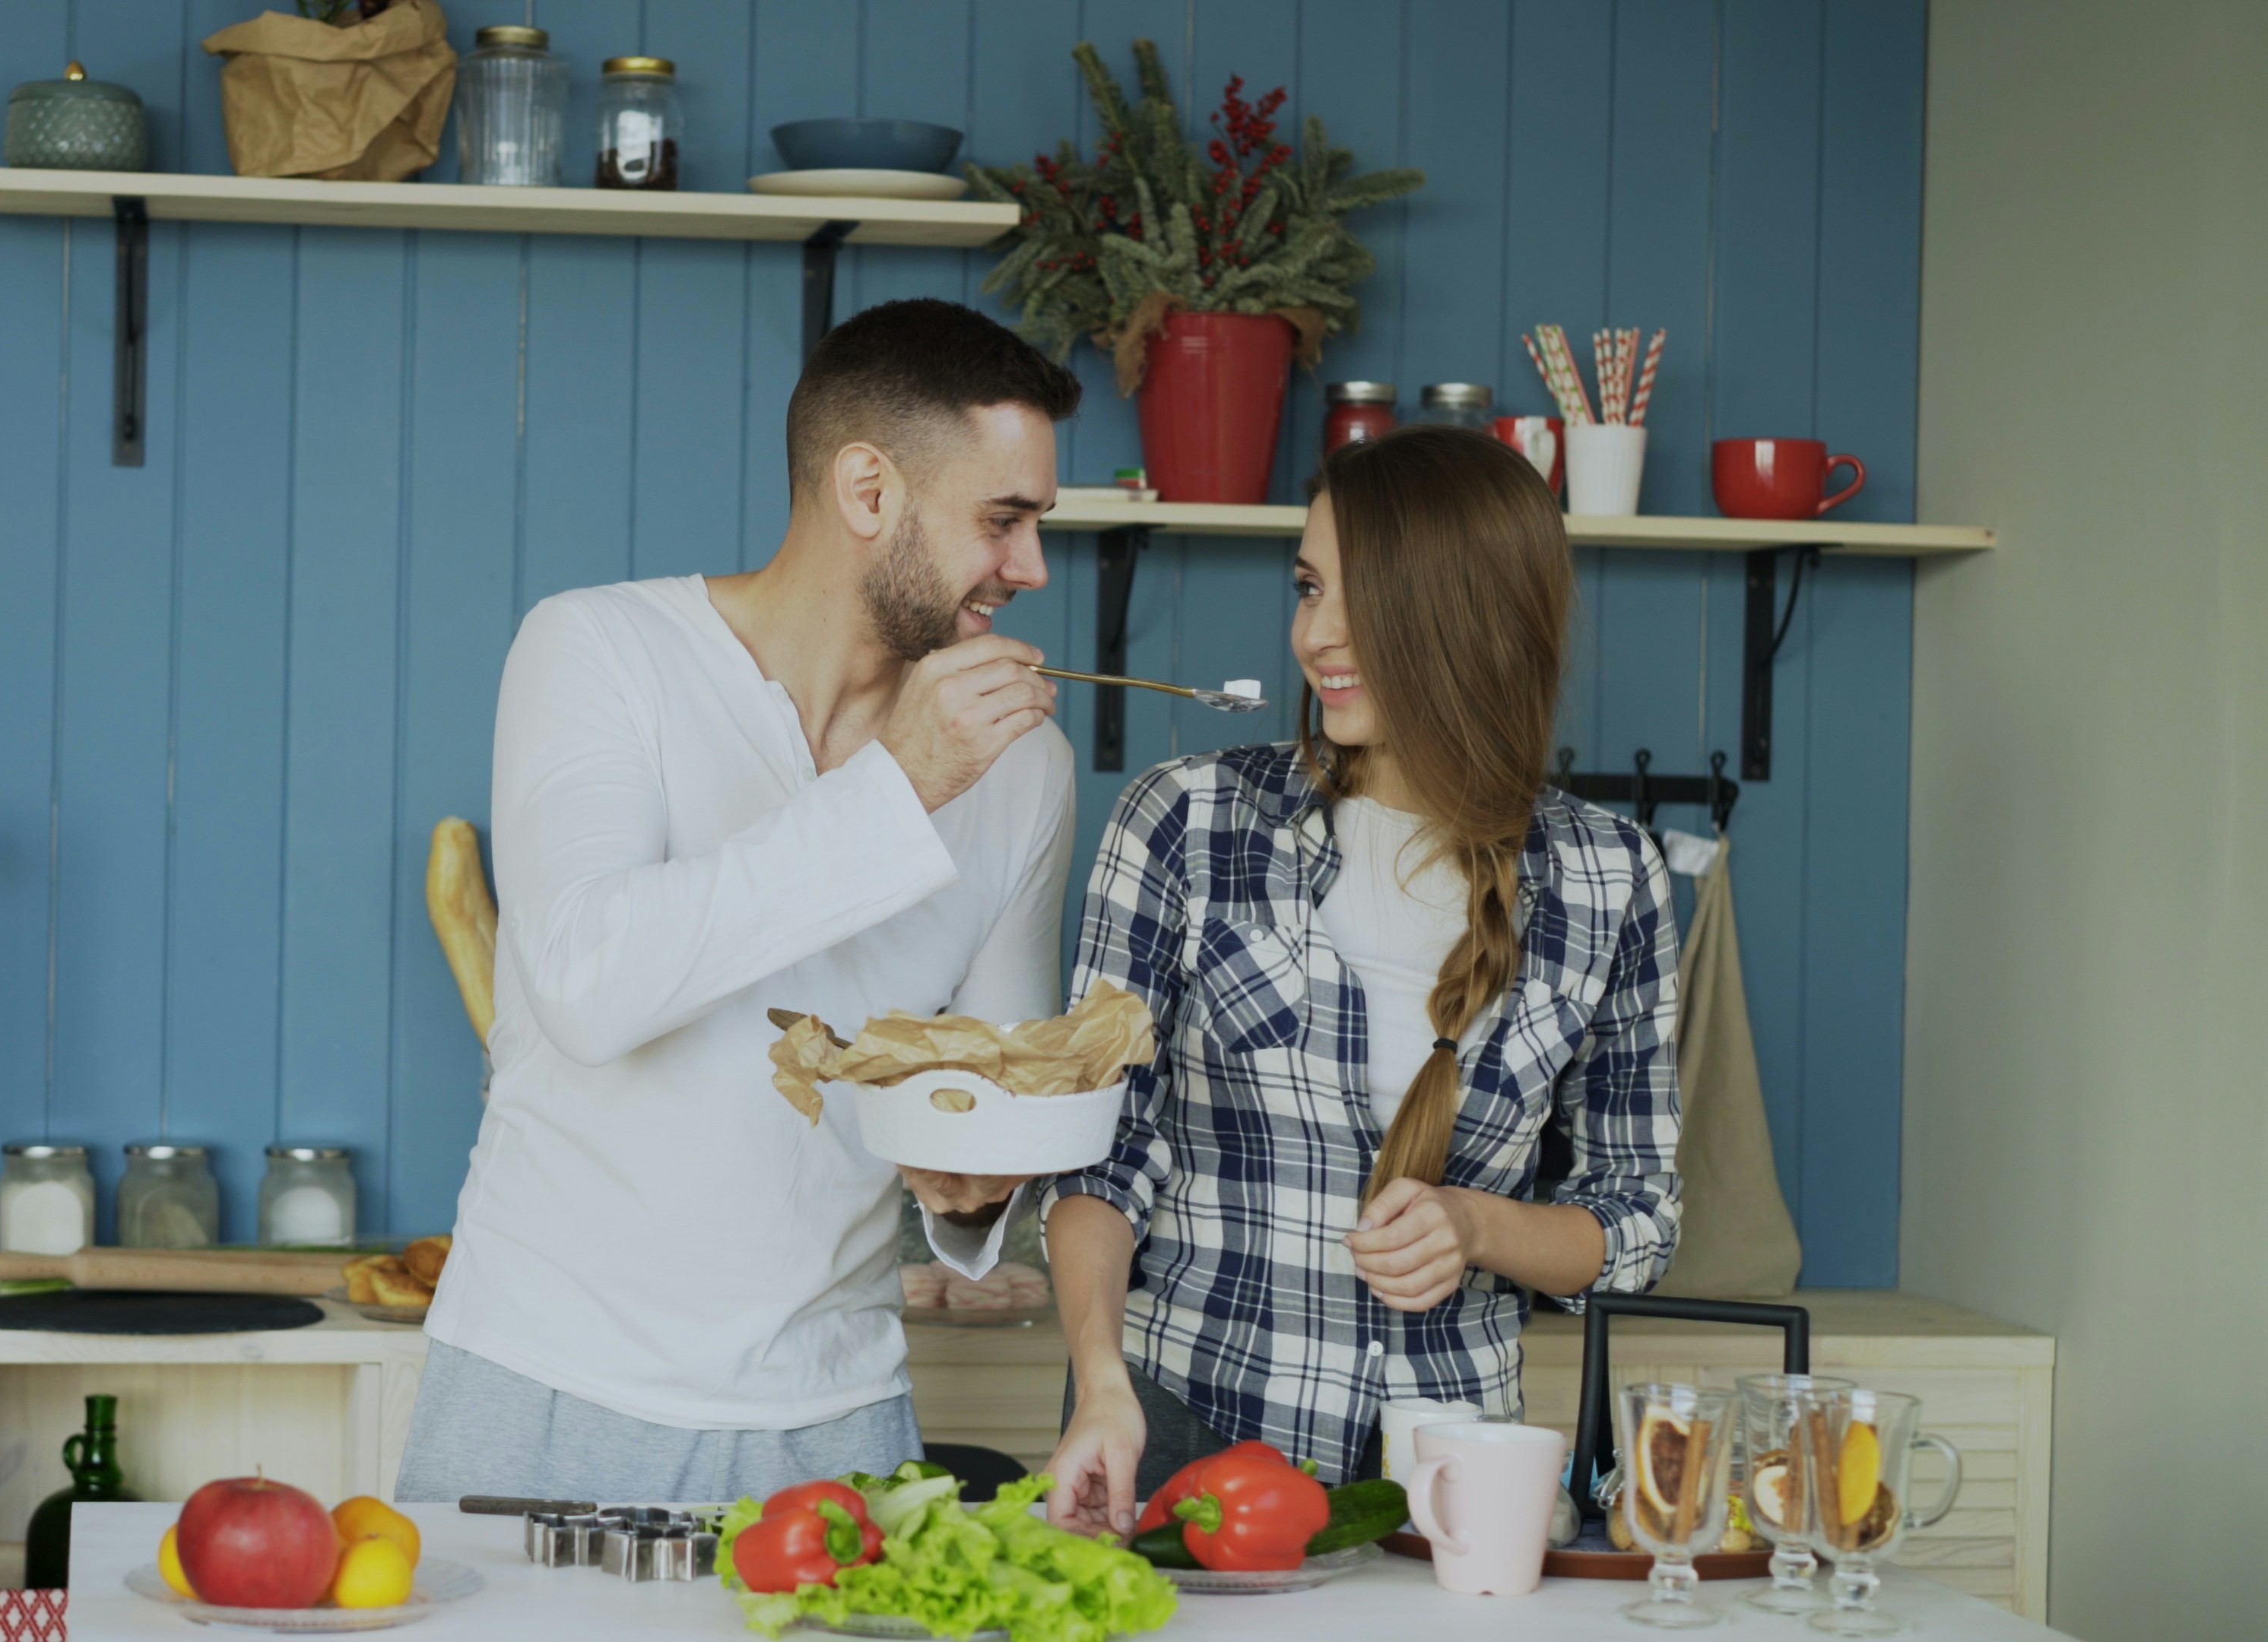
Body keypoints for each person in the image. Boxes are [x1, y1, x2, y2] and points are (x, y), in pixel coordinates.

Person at [396, 300, 1083, 1504]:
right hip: (544, 1379)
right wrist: (904, 784)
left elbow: (988, 1085)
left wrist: (974, 1182)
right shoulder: (597, 652)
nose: (1031, 567)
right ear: (867, 491)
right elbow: (587, 987)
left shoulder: (1021, 762)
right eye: (1003, 520)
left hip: (836, 1415)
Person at [1039, 425, 1685, 1536]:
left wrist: (1477, 1227)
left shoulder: (1611, 875)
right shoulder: (1187, 821)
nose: (1315, 636)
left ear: (1470, 615)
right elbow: (1100, 1152)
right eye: (1306, 587)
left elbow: (1637, 1212)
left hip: (1452, 1472)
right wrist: (1101, 1381)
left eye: (1360, 596)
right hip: (1182, 1432)